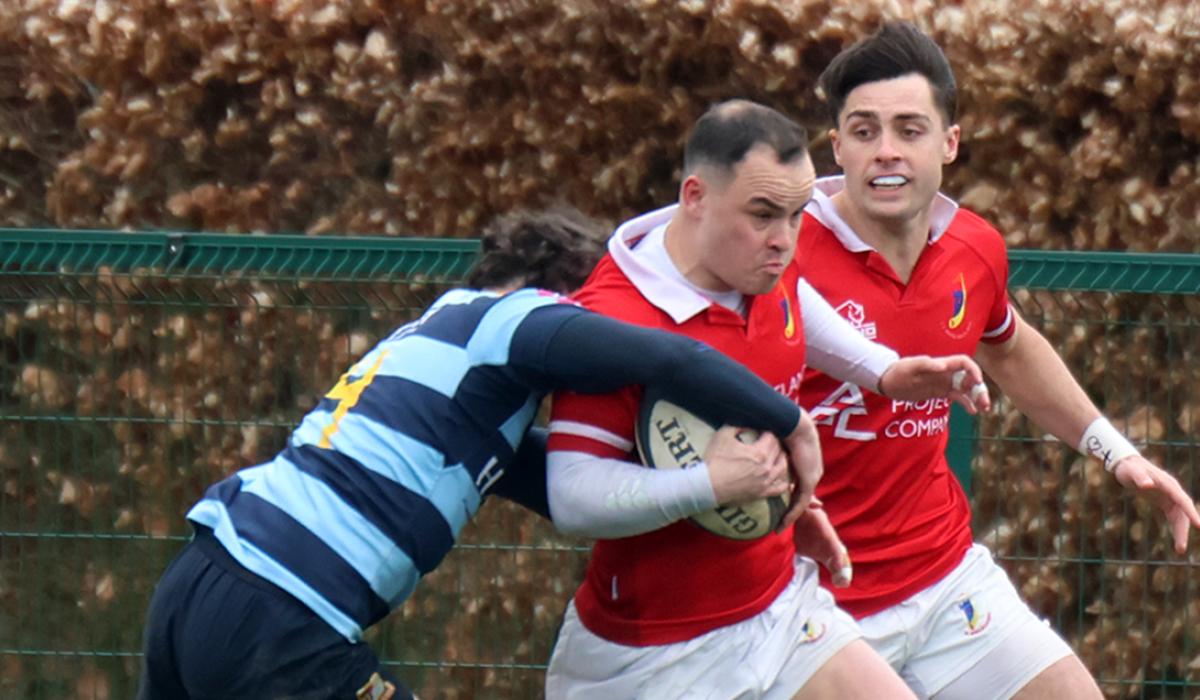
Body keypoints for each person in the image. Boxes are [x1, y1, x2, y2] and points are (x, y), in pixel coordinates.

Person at [136, 206, 847, 700]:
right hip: (284, 616)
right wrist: (786, 421)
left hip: (202, 580)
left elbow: (585, 490)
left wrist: (757, 507)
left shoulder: (452, 363)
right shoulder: (514, 319)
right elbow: (673, 356)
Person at [795, 21, 1200, 700]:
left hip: (943, 577)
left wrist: (1114, 451)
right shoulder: (780, 254)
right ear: (836, 147)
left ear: (950, 143)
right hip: (811, 598)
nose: (886, 152)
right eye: (863, 132)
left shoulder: (973, 249)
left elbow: (1008, 345)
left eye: (909, 129)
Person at [543, 100, 991, 699]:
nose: (784, 241)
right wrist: (710, 484)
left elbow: (795, 302)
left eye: (797, 215)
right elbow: (570, 492)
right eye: (762, 216)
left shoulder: (759, 263)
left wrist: (884, 371)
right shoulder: (614, 318)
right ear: (696, 197)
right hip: (654, 655)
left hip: (782, 609)